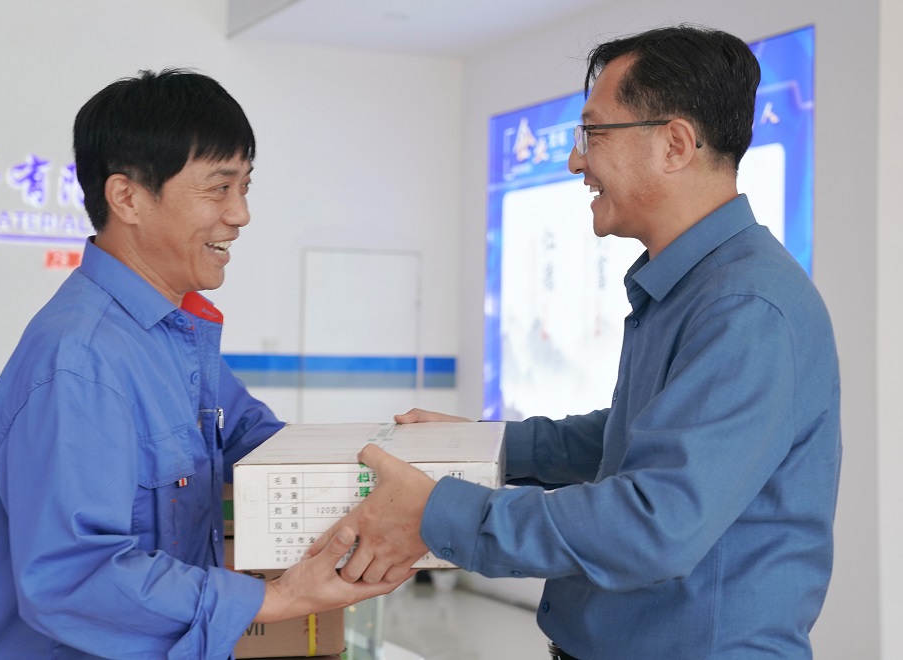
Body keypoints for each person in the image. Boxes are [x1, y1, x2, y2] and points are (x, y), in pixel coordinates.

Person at [309, 25, 842, 659]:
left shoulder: (744, 306)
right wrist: (486, 445)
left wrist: (437, 512)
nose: (575, 161)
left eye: (593, 134)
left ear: (674, 144)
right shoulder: (697, 286)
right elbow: (631, 437)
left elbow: (654, 524)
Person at [0, 68, 402, 659]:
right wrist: (277, 598)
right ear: (127, 198)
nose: (241, 213)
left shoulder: (170, 337)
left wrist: (413, 468)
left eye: (245, 186)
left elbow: (264, 446)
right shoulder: (80, 361)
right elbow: (74, 578)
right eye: (219, 188)